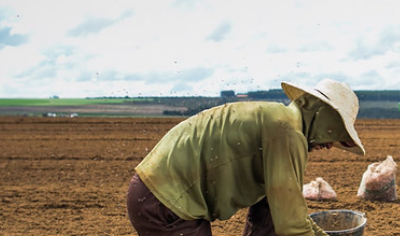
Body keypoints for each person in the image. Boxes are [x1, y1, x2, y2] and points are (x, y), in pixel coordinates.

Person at [126, 79, 365, 236]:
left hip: (156, 193)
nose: (331, 146)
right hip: (164, 202)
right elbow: (293, 227)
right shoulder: (286, 131)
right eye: (337, 133)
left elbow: (285, 211)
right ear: (322, 116)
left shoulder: (279, 122)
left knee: (270, 208)